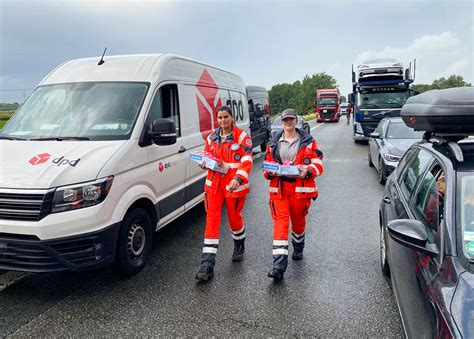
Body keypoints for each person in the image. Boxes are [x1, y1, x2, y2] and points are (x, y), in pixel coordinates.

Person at [263, 108, 324, 281]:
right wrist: (271, 172)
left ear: (296, 120)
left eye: (291, 119)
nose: (288, 122)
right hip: (280, 189)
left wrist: (309, 170)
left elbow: (319, 162)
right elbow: (267, 164)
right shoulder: (274, 141)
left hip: (300, 191)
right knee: (280, 225)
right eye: (285, 120)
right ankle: (278, 266)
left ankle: (298, 247)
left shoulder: (308, 141)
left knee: (298, 223)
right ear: (281, 122)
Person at [195, 105, 253, 282]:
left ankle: (239, 245)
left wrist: (238, 178)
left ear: (232, 118)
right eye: (220, 118)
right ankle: (207, 265)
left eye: (225, 117)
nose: (222, 121)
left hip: (233, 185)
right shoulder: (212, 138)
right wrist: (203, 162)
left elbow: (247, 161)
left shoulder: (242, 137)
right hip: (214, 185)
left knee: (234, 219)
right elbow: (207, 155)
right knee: (211, 222)